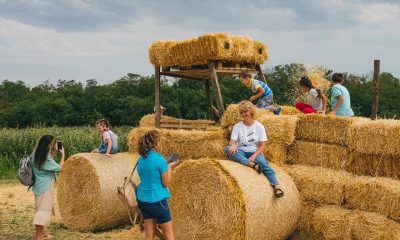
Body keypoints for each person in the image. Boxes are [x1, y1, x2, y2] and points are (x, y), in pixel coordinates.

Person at [223, 101, 284, 197]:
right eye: (242, 112)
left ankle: (276, 186)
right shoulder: (237, 126)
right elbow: (232, 142)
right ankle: (251, 164)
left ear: (251, 111)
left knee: (263, 164)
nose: (244, 114)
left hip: (255, 152)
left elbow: (262, 146)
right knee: (227, 149)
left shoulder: (259, 126)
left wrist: (254, 156)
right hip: (241, 151)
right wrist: (233, 145)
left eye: (245, 111)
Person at [136, 130, 177, 240]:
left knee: (149, 234)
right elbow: (166, 183)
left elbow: (149, 177)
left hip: (143, 200)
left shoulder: (140, 159)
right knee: (169, 236)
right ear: (156, 143)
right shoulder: (160, 159)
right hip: (157, 201)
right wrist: (169, 167)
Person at [32, 135, 65, 240]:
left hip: (39, 185)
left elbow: (48, 161)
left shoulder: (35, 154)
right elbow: (59, 167)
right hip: (45, 187)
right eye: (52, 144)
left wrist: (55, 152)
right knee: (43, 210)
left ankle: (43, 233)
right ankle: (39, 236)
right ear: (48, 145)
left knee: (41, 208)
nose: (53, 145)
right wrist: (63, 155)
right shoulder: (45, 158)